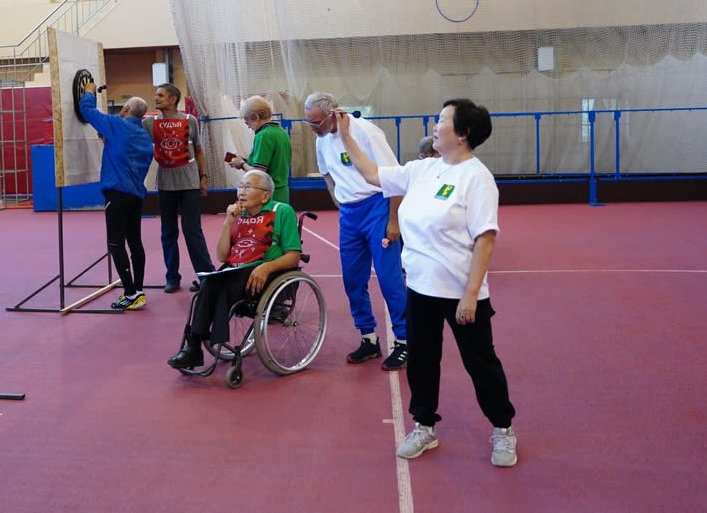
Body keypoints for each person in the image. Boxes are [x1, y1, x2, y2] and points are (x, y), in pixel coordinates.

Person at [334, 98, 518, 468]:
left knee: (480, 363)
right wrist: (345, 136)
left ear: (463, 133)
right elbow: (372, 173)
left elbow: (485, 239)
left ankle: (503, 429)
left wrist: (470, 295)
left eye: (442, 120)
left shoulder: (477, 178)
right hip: (420, 289)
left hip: (461, 293)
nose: (435, 125)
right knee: (422, 361)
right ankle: (424, 426)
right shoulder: (423, 169)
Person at [303, 92, 408, 371]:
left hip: (378, 207)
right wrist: (338, 199)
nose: (313, 128)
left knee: (388, 277)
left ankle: (404, 340)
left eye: (316, 122)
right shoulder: (320, 139)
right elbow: (326, 174)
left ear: (332, 113)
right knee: (353, 280)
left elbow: (395, 177)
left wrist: (394, 220)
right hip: (350, 214)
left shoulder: (366, 132)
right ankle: (369, 338)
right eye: (308, 123)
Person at [167, 169, 301, 370]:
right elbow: (222, 256)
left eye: (248, 187)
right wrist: (228, 222)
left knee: (220, 285)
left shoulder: (282, 211)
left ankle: (200, 345)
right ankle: (193, 346)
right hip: (235, 270)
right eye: (240, 186)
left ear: (265, 196)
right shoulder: (238, 215)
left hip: (265, 273)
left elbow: (294, 256)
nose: (242, 191)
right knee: (208, 283)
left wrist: (267, 267)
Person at [79, 83, 154, 311]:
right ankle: (138, 290)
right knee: (135, 242)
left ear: (126, 109)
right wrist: (109, 140)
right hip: (135, 196)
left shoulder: (116, 125)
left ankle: (130, 293)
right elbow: (125, 154)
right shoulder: (144, 137)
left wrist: (89, 92)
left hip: (117, 193)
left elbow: (87, 111)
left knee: (115, 243)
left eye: (123, 107)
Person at [144, 83, 215, 294]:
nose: (156, 98)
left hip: (189, 183)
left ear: (173, 99)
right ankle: (172, 277)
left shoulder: (189, 120)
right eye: (156, 95)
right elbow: (129, 133)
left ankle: (206, 276)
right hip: (165, 184)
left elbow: (199, 151)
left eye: (160, 95)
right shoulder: (149, 123)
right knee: (168, 232)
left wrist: (204, 177)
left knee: (192, 230)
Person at [227, 95, 293, 205]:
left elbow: (258, 173)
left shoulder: (263, 135)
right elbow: (270, 163)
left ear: (255, 117)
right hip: (282, 193)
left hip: (268, 195)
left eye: (247, 122)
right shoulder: (282, 132)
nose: (248, 127)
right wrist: (244, 161)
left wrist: (242, 164)